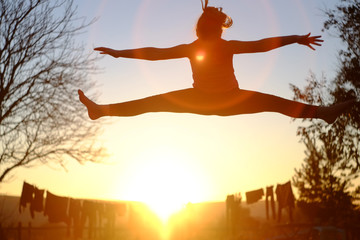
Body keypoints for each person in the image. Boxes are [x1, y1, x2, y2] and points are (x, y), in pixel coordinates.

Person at [79, 0, 355, 124]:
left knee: (152, 103)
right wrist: (295, 38)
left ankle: (102, 111)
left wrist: (119, 53)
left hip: (203, 100)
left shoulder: (196, 47)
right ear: (216, 29)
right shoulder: (219, 46)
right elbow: (154, 53)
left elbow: (154, 54)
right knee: (276, 104)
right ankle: (322, 113)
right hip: (230, 100)